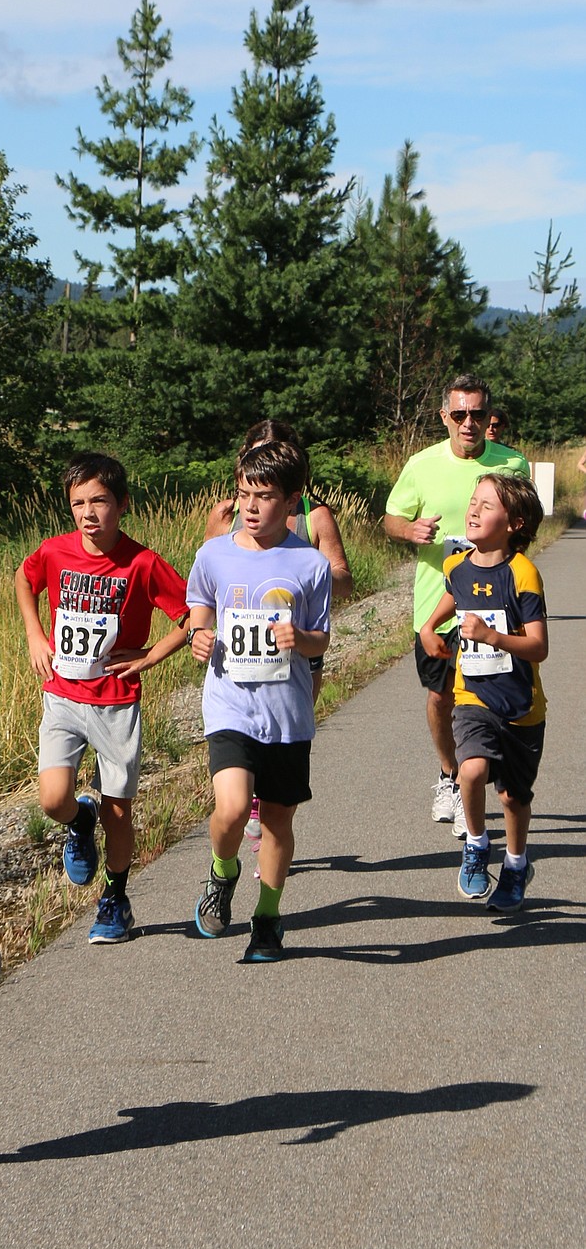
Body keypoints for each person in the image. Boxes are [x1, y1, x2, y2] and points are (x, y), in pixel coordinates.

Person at [15, 451, 190, 946]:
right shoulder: (54, 551)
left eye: (100, 501)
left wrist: (151, 657)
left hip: (116, 701)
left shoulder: (143, 562)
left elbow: (192, 617)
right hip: (63, 695)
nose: (89, 513)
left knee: (119, 810)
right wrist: (34, 633)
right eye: (78, 503)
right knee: (52, 800)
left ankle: (114, 898)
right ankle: (78, 818)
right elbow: (24, 580)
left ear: (123, 504)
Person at [186, 439, 332, 963]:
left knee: (276, 821)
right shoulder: (214, 553)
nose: (250, 506)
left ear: (291, 501)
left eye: (264, 495)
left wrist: (302, 640)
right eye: (244, 493)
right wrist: (198, 633)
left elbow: (322, 638)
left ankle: (268, 918)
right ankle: (222, 872)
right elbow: (199, 605)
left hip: (287, 715)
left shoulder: (309, 564)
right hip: (229, 704)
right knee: (229, 810)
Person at [383, 375, 530, 835]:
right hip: (437, 604)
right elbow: (390, 518)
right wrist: (410, 531)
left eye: (479, 414)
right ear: (445, 417)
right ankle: (450, 774)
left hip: (497, 608)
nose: (470, 423)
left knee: (492, 697)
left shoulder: (512, 464)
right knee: (440, 697)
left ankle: (486, 780)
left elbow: (527, 524)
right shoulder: (422, 464)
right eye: (460, 414)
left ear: (490, 418)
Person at [206, 420, 353, 860]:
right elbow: (211, 578)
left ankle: (267, 815)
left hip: (296, 652)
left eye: (278, 451)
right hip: (237, 664)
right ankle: (245, 806)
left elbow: (342, 576)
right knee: (243, 754)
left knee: (279, 747)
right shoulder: (226, 515)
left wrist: (312, 577)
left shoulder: (314, 515)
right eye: (258, 452)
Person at [419, 474, 547, 910]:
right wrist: (428, 626)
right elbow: (454, 595)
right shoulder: (457, 564)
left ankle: (516, 863)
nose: (473, 510)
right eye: (473, 502)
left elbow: (539, 646)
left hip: (520, 705)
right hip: (471, 693)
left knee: (513, 797)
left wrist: (493, 637)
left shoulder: (523, 573)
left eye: (487, 506)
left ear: (515, 522)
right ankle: (476, 844)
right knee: (469, 771)